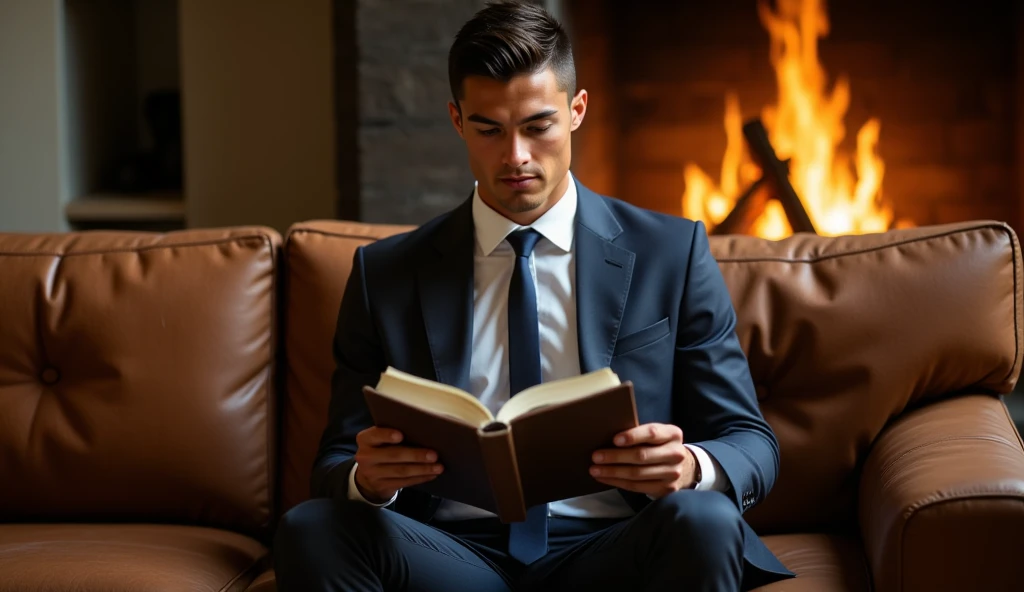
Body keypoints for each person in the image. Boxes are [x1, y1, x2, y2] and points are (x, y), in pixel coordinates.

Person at [274, 1, 795, 590]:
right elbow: (334, 464)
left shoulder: (671, 253)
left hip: (615, 546)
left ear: (577, 111)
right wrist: (369, 479)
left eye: (537, 126)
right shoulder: (385, 274)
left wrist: (692, 466)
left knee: (703, 518)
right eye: (489, 129)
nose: (516, 156)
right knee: (312, 528)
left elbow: (751, 440)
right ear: (456, 120)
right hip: (450, 556)